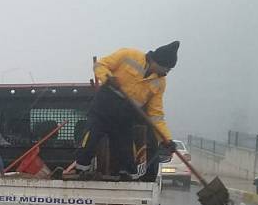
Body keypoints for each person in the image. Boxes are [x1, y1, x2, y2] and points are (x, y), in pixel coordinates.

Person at [72, 41, 180, 180]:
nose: (166, 73)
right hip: (103, 109)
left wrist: (166, 139)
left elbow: (156, 115)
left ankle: (127, 177)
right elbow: (99, 65)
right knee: (89, 142)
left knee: (126, 154)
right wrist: (108, 78)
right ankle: (81, 171)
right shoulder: (128, 55)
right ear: (156, 62)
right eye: (166, 69)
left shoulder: (159, 83)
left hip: (125, 118)